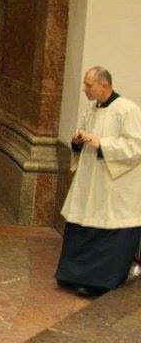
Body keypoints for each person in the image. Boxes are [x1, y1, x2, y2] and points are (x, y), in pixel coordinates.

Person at [56, 66, 141, 296]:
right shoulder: (92, 109)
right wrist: (78, 141)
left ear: (104, 85)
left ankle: (98, 282)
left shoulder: (127, 110)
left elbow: (136, 147)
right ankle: (72, 276)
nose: (84, 89)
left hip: (113, 186)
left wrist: (101, 143)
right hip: (90, 181)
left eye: (88, 85)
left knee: (106, 227)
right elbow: (87, 137)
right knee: (82, 223)